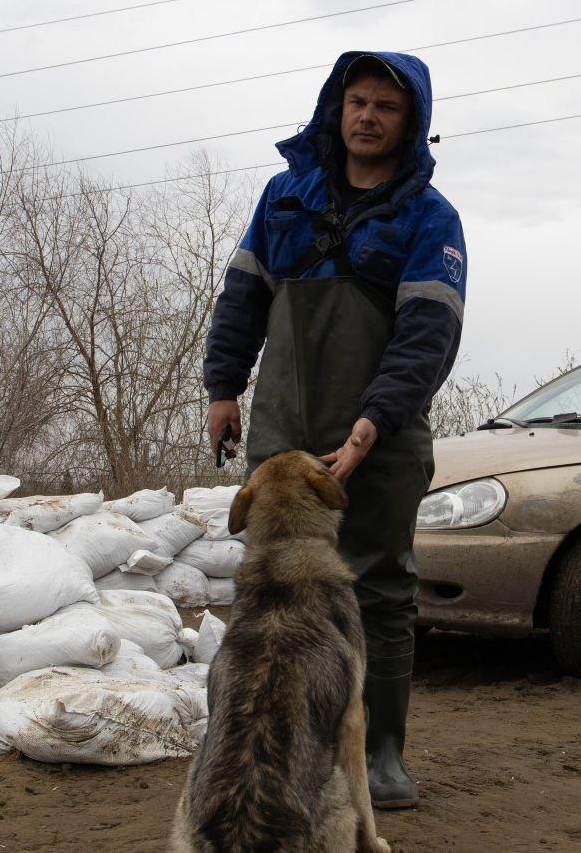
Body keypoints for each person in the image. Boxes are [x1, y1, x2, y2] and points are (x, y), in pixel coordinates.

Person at [202, 51, 466, 809]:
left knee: (379, 591)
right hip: (284, 430)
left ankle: (381, 752)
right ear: (336, 106)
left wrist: (370, 426)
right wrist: (224, 386)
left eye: (387, 105)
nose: (368, 116)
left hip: (378, 437)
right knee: (272, 590)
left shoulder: (429, 218)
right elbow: (244, 296)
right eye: (358, 101)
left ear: (410, 122)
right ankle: (266, 744)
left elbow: (427, 337)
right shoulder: (286, 196)